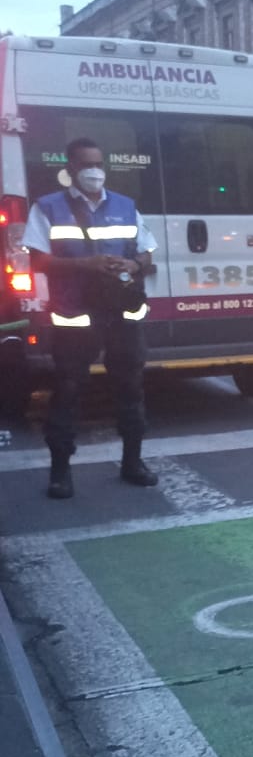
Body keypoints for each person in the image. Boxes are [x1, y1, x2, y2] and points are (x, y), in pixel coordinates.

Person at [23, 138, 158, 499]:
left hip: (123, 313)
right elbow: (37, 261)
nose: (94, 171)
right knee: (68, 390)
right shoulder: (48, 207)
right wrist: (88, 264)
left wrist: (133, 264)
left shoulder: (126, 206)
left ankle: (133, 463)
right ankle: (60, 472)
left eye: (99, 163)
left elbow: (148, 254)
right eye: (86, 164)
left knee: (131, 387)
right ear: (70, 168)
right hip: (75, 315)